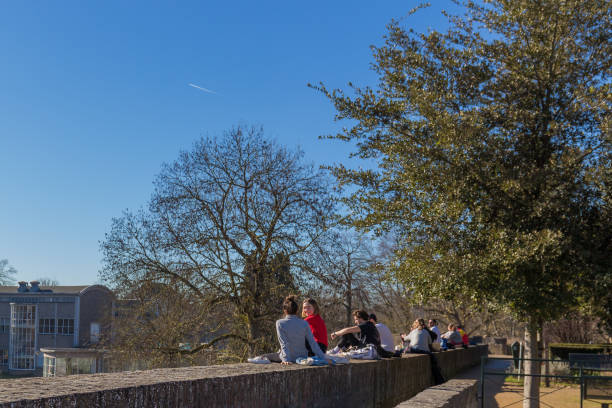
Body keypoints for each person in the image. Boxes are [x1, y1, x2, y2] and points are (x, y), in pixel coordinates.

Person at [249, 295, 332, 365]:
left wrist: (286, 359)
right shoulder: (304, 323)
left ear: (285, 311)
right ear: (297, 310)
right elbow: (313, 343)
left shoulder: (280, 323)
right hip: (303, 356)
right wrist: (323, 357)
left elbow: (284, 343)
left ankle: (259, 358)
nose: (306, 310)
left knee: (265, 357)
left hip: (289, 356)